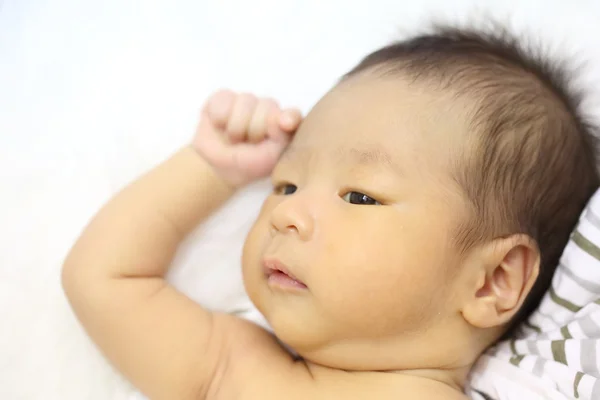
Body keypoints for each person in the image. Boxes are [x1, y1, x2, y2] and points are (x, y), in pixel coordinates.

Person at [61, 24, 599, 399]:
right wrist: (212, 168)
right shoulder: (235, 371)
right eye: (287, 184)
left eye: (360, 196)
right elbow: (105, 280)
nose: (285, 215)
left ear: (492, 281)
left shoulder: (544, 382)